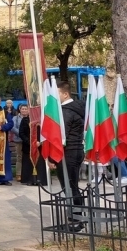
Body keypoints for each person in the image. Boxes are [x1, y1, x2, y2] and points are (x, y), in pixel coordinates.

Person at [51, 82, 86, 222]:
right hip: (75, 150)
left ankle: (77, 220)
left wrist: (52, 157)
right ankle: (77, 217)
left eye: (57, 94)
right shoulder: (75, 108)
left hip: (69, 152)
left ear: (65, 94)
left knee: (69, 186)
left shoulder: (67, 110)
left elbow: (61, 135)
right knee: (71, 185)